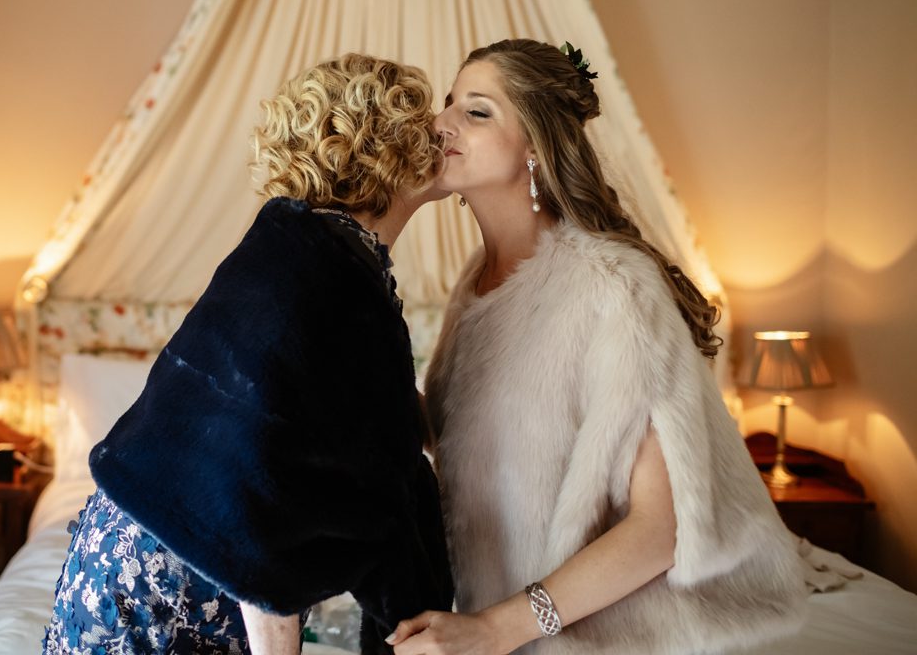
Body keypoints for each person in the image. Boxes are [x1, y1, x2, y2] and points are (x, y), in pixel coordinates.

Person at [387, 39, 806, 655]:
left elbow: (660, 528)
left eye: (476, 111)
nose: (439, 122)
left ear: (535, 145)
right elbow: (468, 440)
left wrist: (498, 628)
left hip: (619, 641)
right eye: (448, 103)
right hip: (507, 632)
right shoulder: (474, 287)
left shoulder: (613, 285)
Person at [43, 53, 453, 655]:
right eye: (424, 125)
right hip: (167, 579)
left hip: (142, 551)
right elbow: (249, 479)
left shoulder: (313, 252)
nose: (442, 136)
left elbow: (362, 414)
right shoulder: (316, 270)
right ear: (386, 152)